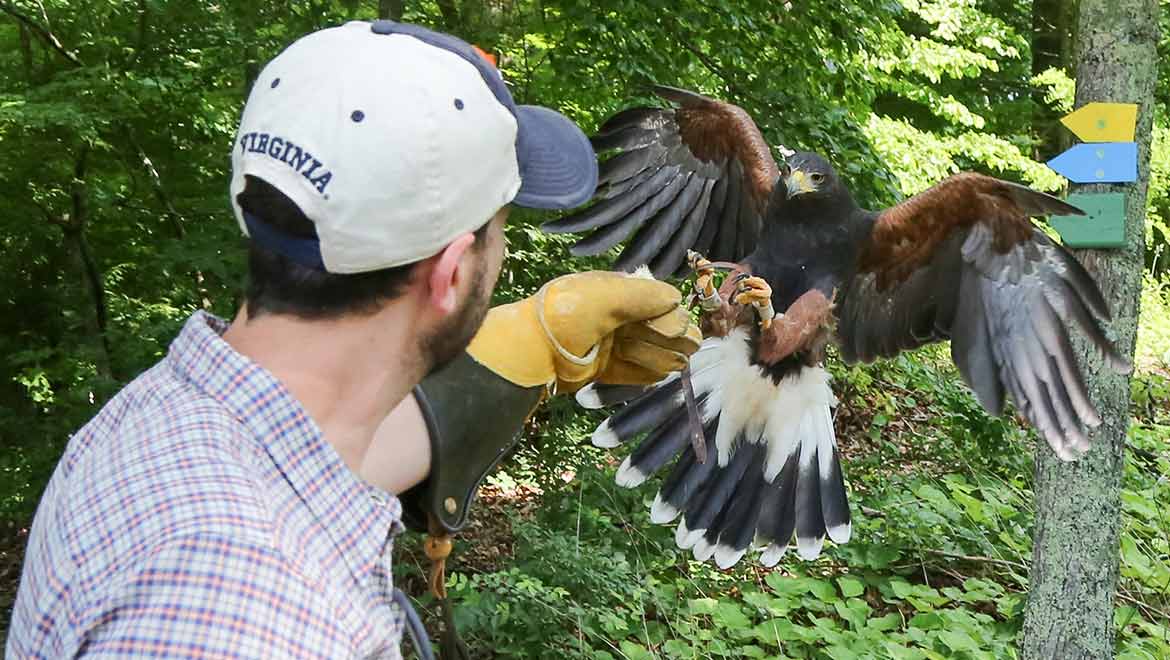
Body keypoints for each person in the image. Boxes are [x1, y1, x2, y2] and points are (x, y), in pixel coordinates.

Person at [7, 20, 701, 660]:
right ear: (453, 272)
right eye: (499, 228)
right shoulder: (257, 620)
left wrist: (532, 348)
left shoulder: (158, 421)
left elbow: (320, 470)